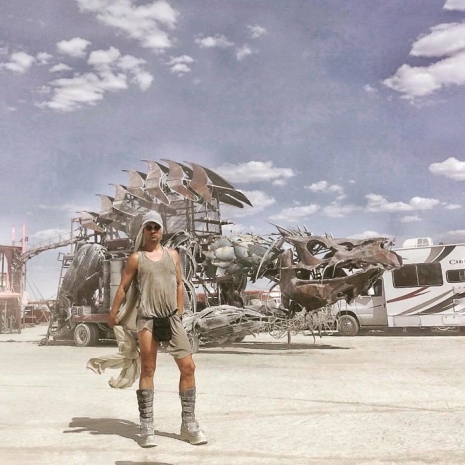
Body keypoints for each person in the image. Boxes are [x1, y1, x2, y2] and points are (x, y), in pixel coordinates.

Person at [107, 210, 207, 447]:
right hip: (148, 320)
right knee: (148, 368)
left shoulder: (173, 255)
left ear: (162, 230)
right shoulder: (136, 258)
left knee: (188, 367)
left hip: (171, 319)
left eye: (157, 227)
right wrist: (113, 313)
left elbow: (179, 284)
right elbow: (122, 288)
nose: (153, 231)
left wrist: (179, 312)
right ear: (143, 231)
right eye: (149, 227)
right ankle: (147, 427)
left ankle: (188, 425)